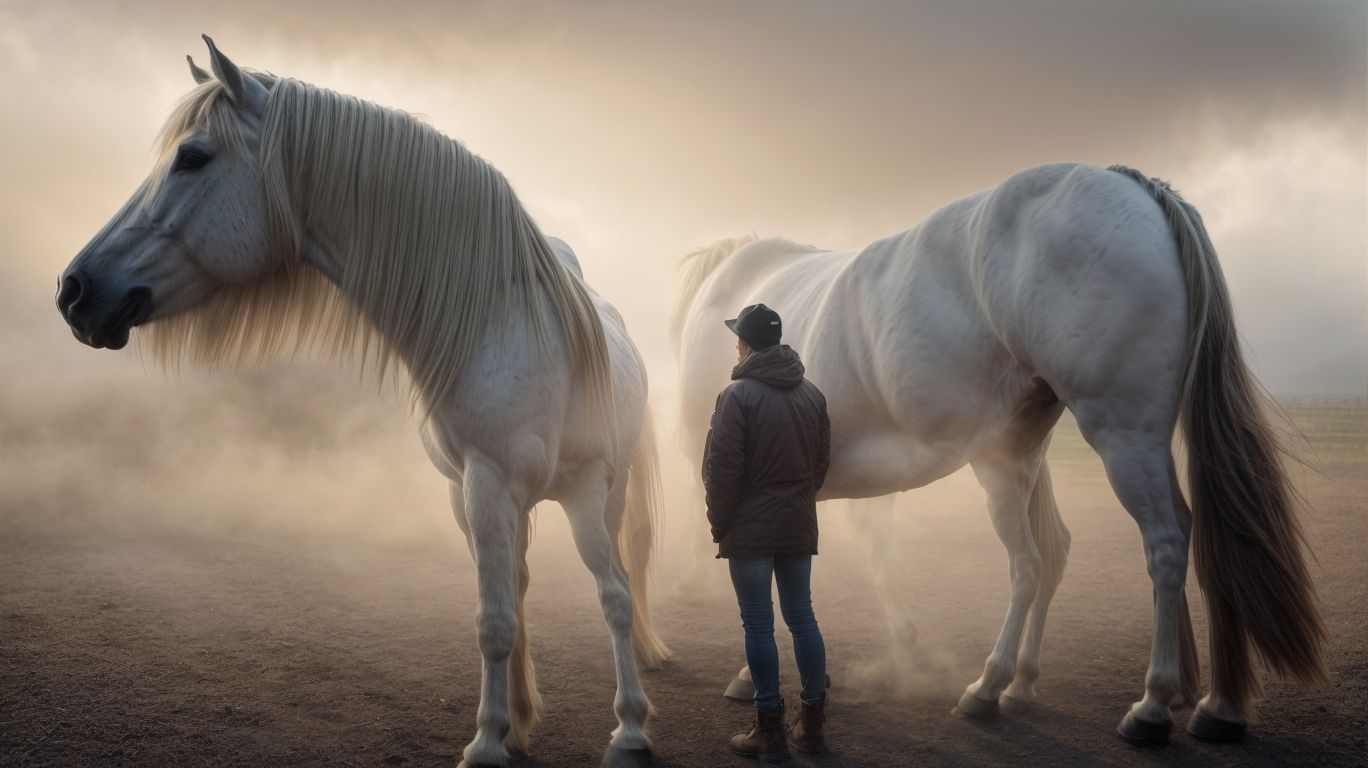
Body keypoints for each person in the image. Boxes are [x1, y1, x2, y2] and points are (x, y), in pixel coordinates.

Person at [703, 303, 831, 761]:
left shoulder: (735, 397)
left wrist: (721, 525)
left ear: (745, 344)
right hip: (798, 522)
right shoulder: (812, 394)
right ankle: (813, 724)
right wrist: (796, 502)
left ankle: (769, 729)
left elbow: (722, 473)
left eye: (737, 336)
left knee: (758, 624)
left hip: (750, 530)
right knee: (803, 617)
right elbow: (820, 466)